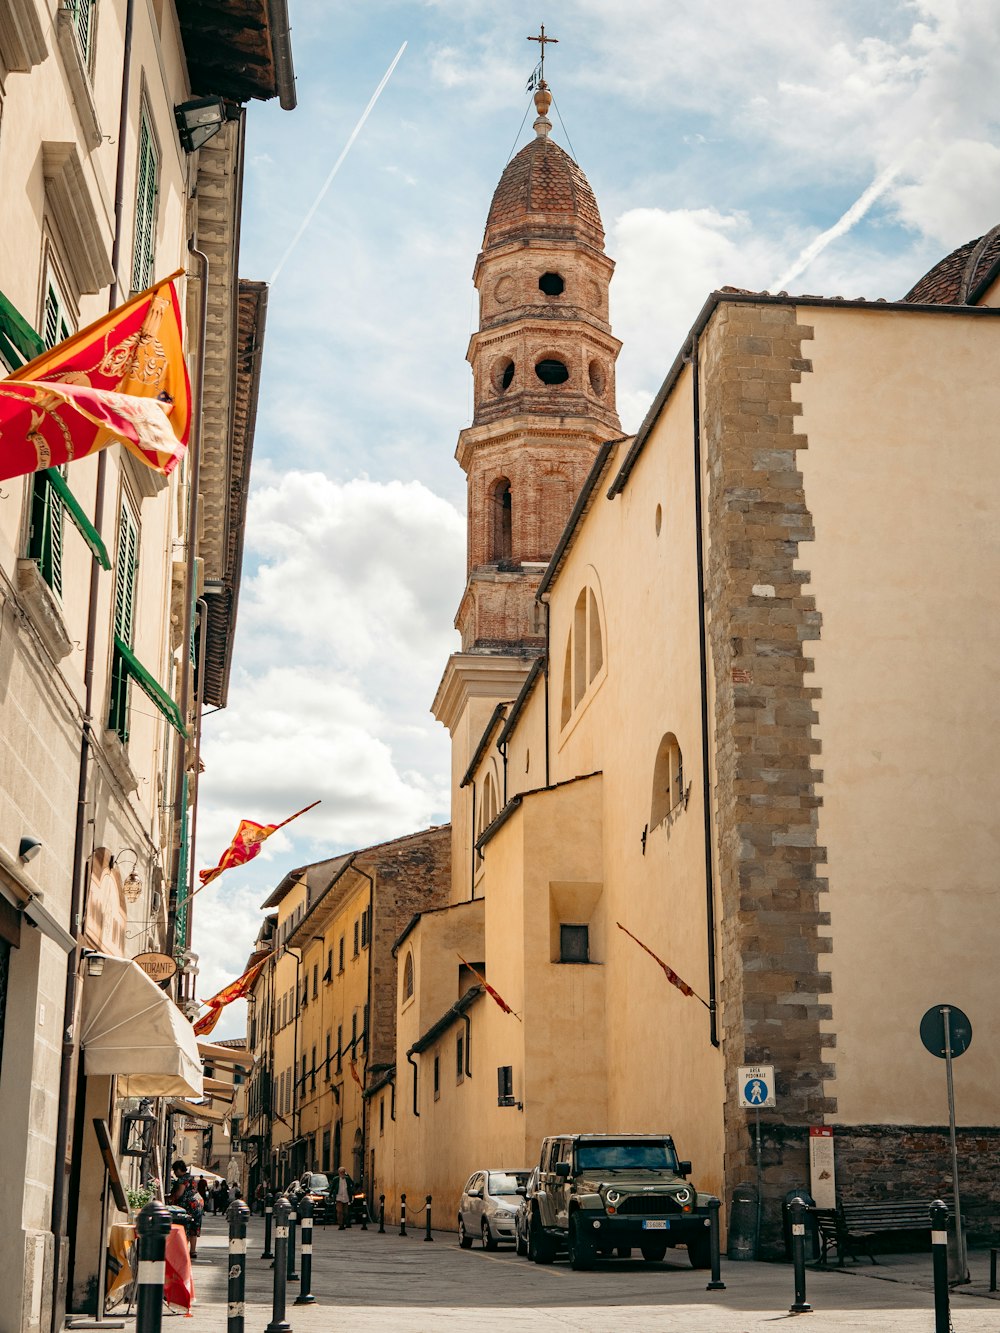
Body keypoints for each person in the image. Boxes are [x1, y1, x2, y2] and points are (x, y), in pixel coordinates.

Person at [168, 1159, 204, 1260]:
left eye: (175, 1170)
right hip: (198, 1203)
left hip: (189, 1205)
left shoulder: (182, 1179)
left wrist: (170, 1198)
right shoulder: (191, 1177)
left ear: (179, 1169)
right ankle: (193, 1251)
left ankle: (183, 1249)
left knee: (185, 1226)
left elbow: (179, 1193)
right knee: (194, 1227)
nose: (175, 1173)